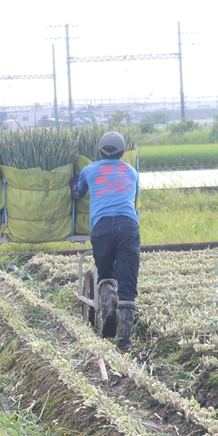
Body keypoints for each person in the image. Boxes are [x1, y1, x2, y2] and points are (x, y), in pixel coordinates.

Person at [70, 131, 139, 350]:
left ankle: (109, 306)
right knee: (127, 282)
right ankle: (125, 339)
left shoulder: (89, 170)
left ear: (99, 151)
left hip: (102, 227)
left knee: (106, 273)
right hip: (128, 226)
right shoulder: (132, 172)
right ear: (123, 152)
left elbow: (77, 193)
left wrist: (73, 183)